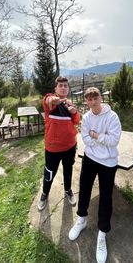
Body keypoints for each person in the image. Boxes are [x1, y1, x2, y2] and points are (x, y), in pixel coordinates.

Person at [68, 87, 122, 263]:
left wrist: (96, 135)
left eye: (95, 98)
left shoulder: (112, 117)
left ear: (101, 98)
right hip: (90, 158)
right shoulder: (87, 117)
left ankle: (102, 233)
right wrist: (99, 137)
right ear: (86, 101)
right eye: (89, 99)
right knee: (84, 189)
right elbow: (85, 139)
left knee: (106, 197)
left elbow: (113, 141)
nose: (92, 102)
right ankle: (82, 219)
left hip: (108, 162)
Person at [37, 76, 80, 211]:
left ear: (68, 89)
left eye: (65, 86)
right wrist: (51, 99)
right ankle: (45, 194)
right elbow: (48, 100)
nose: (63, 87)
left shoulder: (69, 104)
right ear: (55, 89)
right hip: (53, 148)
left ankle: (68, 190)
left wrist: (74, 112)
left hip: (70, 146)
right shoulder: (51, 102)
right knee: (49, 172)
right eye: (60, 85)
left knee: (68, 169)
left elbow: (76, 121)